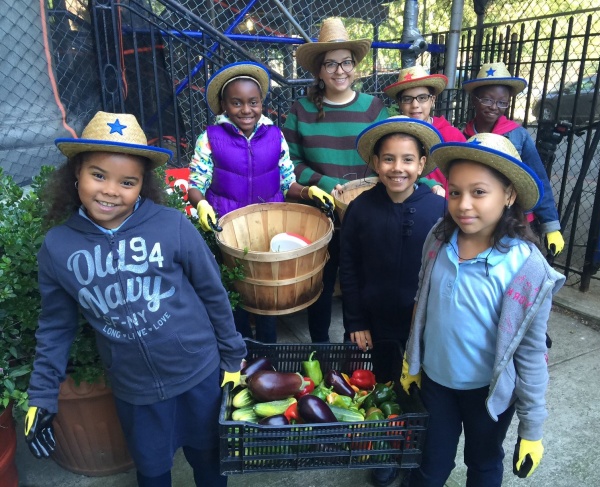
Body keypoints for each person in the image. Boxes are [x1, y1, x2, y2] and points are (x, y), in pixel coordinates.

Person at [24, 111, 247, 487]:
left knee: (210, 460)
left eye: (127, 182)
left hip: (199, 373)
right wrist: (42, 395)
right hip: (136, 390)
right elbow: (56, 326)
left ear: (142, 185)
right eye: (98, 175)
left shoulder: (172, 226)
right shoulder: (57, 248)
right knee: (153, 470)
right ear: (76, 172)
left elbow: (213, 293)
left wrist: (233, 356)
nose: (111, 190)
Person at [401, 133, 566, 487]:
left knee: (484, 464)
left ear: (508, 195)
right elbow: (423, 299)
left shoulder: (527, 269)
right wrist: (411, 360)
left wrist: (532, 428)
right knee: (430, 467)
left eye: (479, 192)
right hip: (436, 384)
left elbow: (532, 352)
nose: (463, 205)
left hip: (488, 397)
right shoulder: (438, 238)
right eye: (456, 192)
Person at [188, 61, 333, 343]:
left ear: (261, 103)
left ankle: (267, 350)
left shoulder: (275, 136)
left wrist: (309, 192)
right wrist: (201, 204)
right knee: (236, 292)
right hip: (228, 228)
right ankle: (242, 350)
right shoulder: (210, 138)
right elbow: (197, 183)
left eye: (253, 102)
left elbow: (287, 182)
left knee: (266, 294)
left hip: (268, 227)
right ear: (224, 106)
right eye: (237, 103)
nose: (246, 110)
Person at [339, 116, 446, 487]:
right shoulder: (361, 209)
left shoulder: (439, 212)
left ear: (421, 164)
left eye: (406, 159)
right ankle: (382, 450)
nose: (397, 168)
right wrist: (354, 320)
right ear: (375, 163)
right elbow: (348, 266)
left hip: (424, 325)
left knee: (419, 393)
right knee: (378, 387)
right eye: (388, 159)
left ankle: (414, 451)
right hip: (373, 321)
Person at [283, 17, 389, 343]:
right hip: (322, 215)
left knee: (364, 281)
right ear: (319, 70)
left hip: (366, 211)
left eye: (346, 62)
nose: (339, 70)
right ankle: (321, 348)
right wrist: (326, 185)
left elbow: (384, 157)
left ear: (355, 66)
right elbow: (288, 163)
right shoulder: (300, 111)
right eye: (331, 64)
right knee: (322, 284)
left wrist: (361, 189)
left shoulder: (374, 109)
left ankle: (360, 349)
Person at [462, 61, 565, 257]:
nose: (494, 107)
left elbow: (538, 178)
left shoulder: (518, 135)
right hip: (478, 215)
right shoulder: (464, 135)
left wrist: (551, 226)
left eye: (502, 102)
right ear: (474, 100)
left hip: (515, 217)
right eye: (487, 100)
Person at [384, 65, 466, 195]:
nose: (415, 105)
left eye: (422, 98)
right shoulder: (393, 138)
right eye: (407, 99)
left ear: (432, 100)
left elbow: (464, 177)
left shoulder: (451, 136)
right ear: (399, 103)